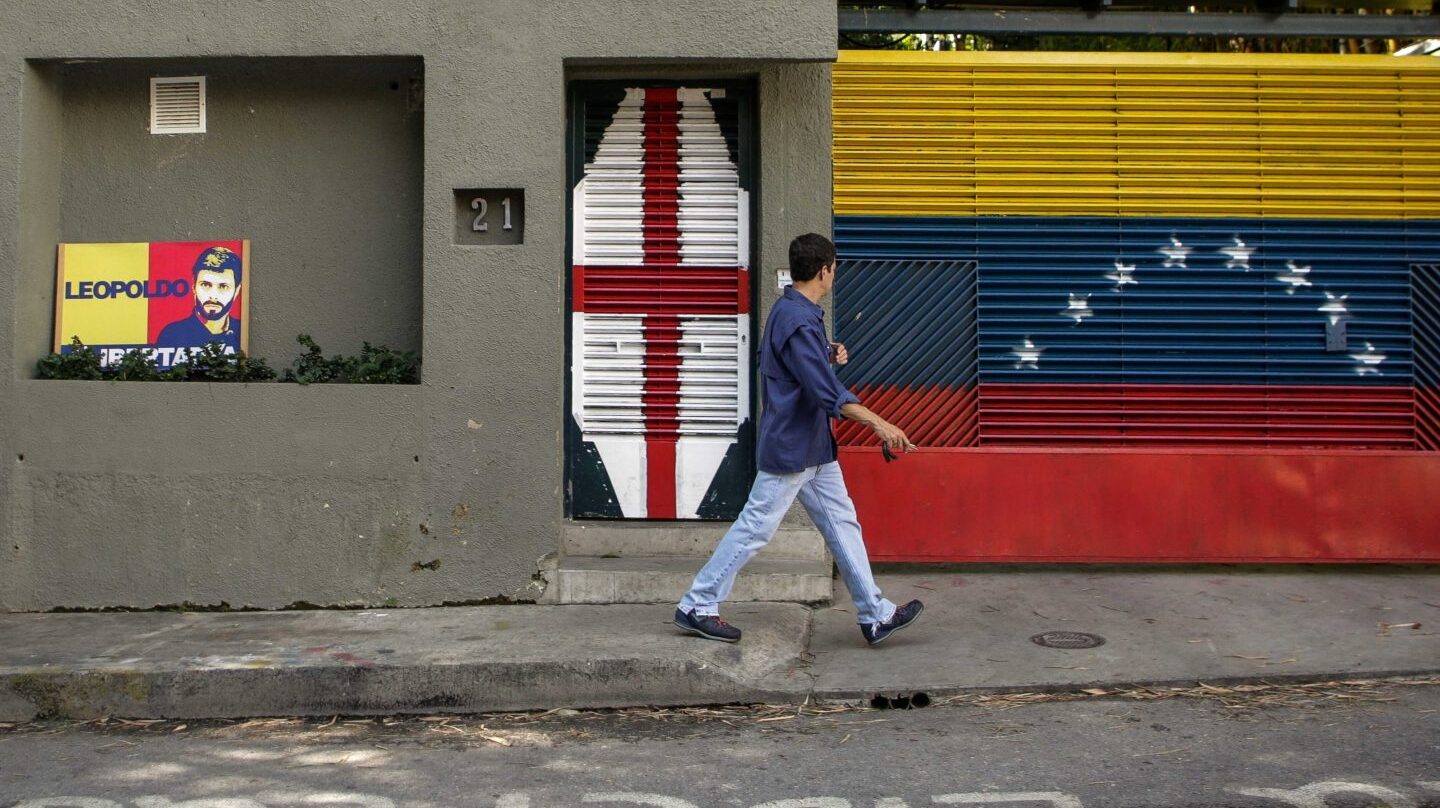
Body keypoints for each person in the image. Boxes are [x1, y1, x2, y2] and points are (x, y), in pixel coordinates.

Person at [674, 233, 923, 647]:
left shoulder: (794, 311)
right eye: (835, 268)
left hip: (814, 450)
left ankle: (875, 615)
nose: (834, 274)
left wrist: (824, 351)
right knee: (755, 527)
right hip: (792, 449)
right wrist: (880, 423)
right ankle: (698, 605)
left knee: (843, 525)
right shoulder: (797, 318)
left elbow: (777, 360)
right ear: (825, 270)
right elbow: (826, 394)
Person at [155, 245, 242, 355]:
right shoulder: (173, 335)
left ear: (237, 290)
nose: (213, 296)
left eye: (223, 286)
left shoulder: (241, 331)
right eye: (205, 285)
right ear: (194, 287)